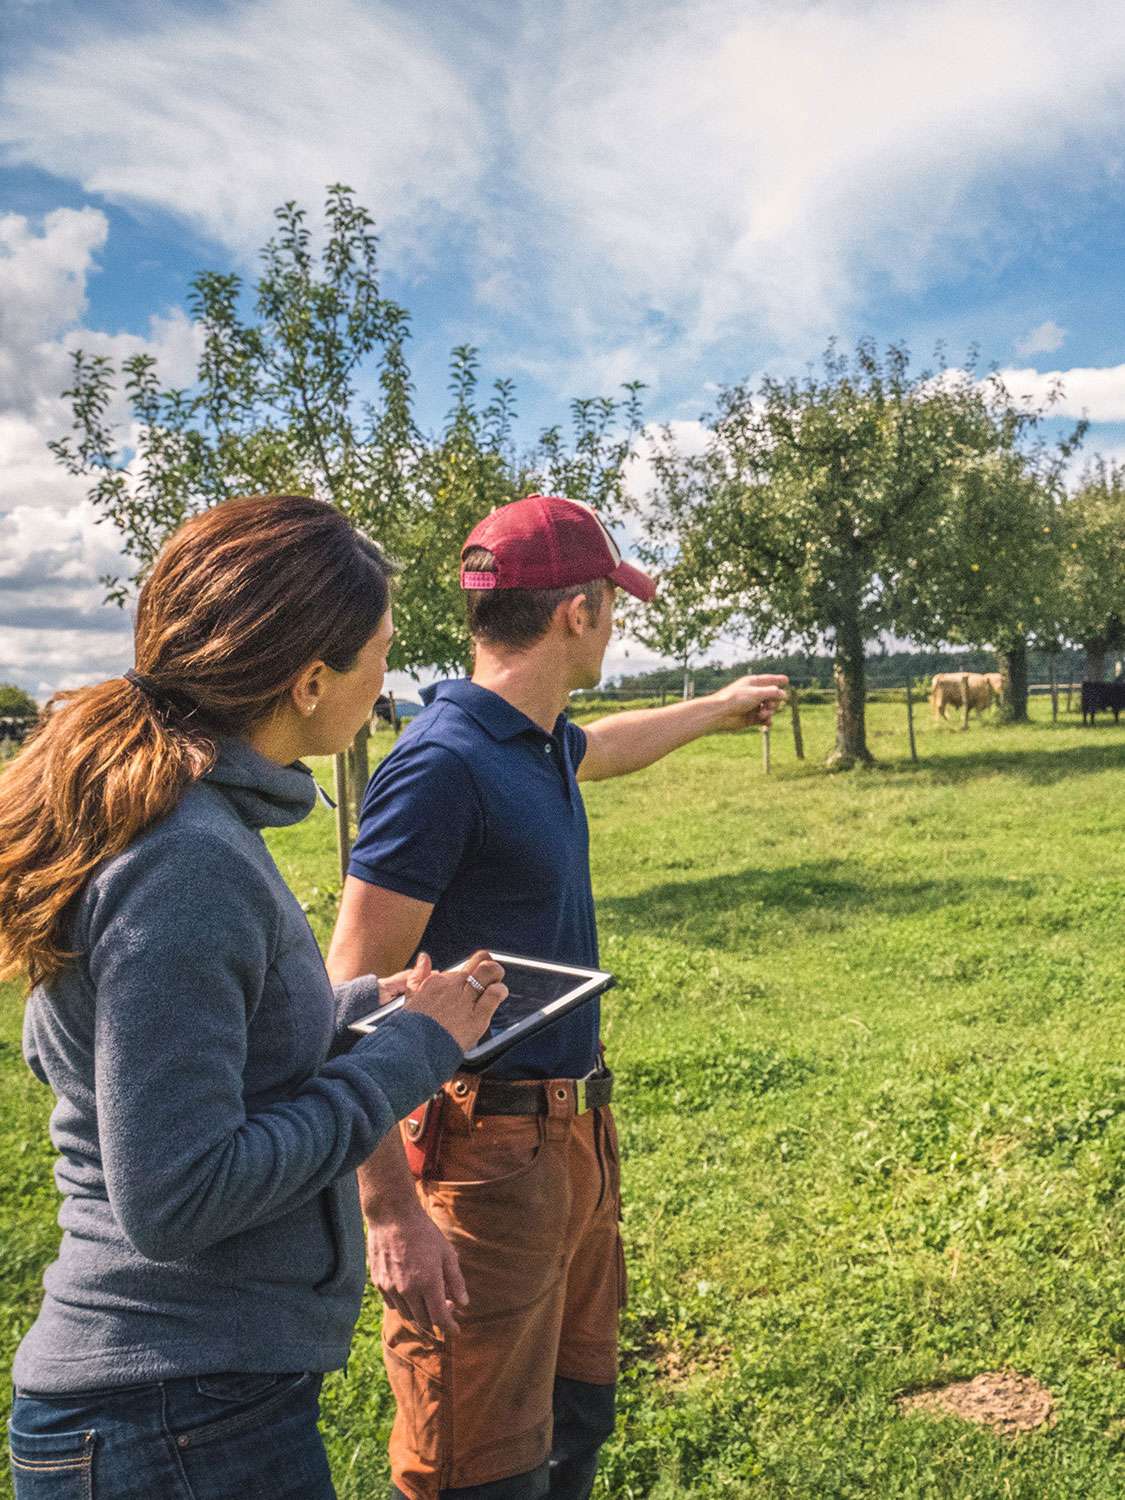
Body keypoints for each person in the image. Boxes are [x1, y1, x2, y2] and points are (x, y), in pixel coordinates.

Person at [0, 494, 508, 1500]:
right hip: (174, 1419)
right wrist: (408, 1052)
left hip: (187, 1409)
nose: (386, 678)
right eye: (379, 651)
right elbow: (179, 1195)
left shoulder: (184, 827)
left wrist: (361, 1003)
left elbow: (173, 1043)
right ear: (311, 679)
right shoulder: (185, 861)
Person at [327, 493, 788, 1500]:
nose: (615, 625)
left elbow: (607, 746)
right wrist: (388, 1208)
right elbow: (347, 994)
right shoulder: (443, 766)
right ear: (576, 613)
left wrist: (716, 708)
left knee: (572, 1424)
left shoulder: (532, 741)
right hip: (480, 1159)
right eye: (611, 605)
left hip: (571, 1136)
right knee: (475, 1467)